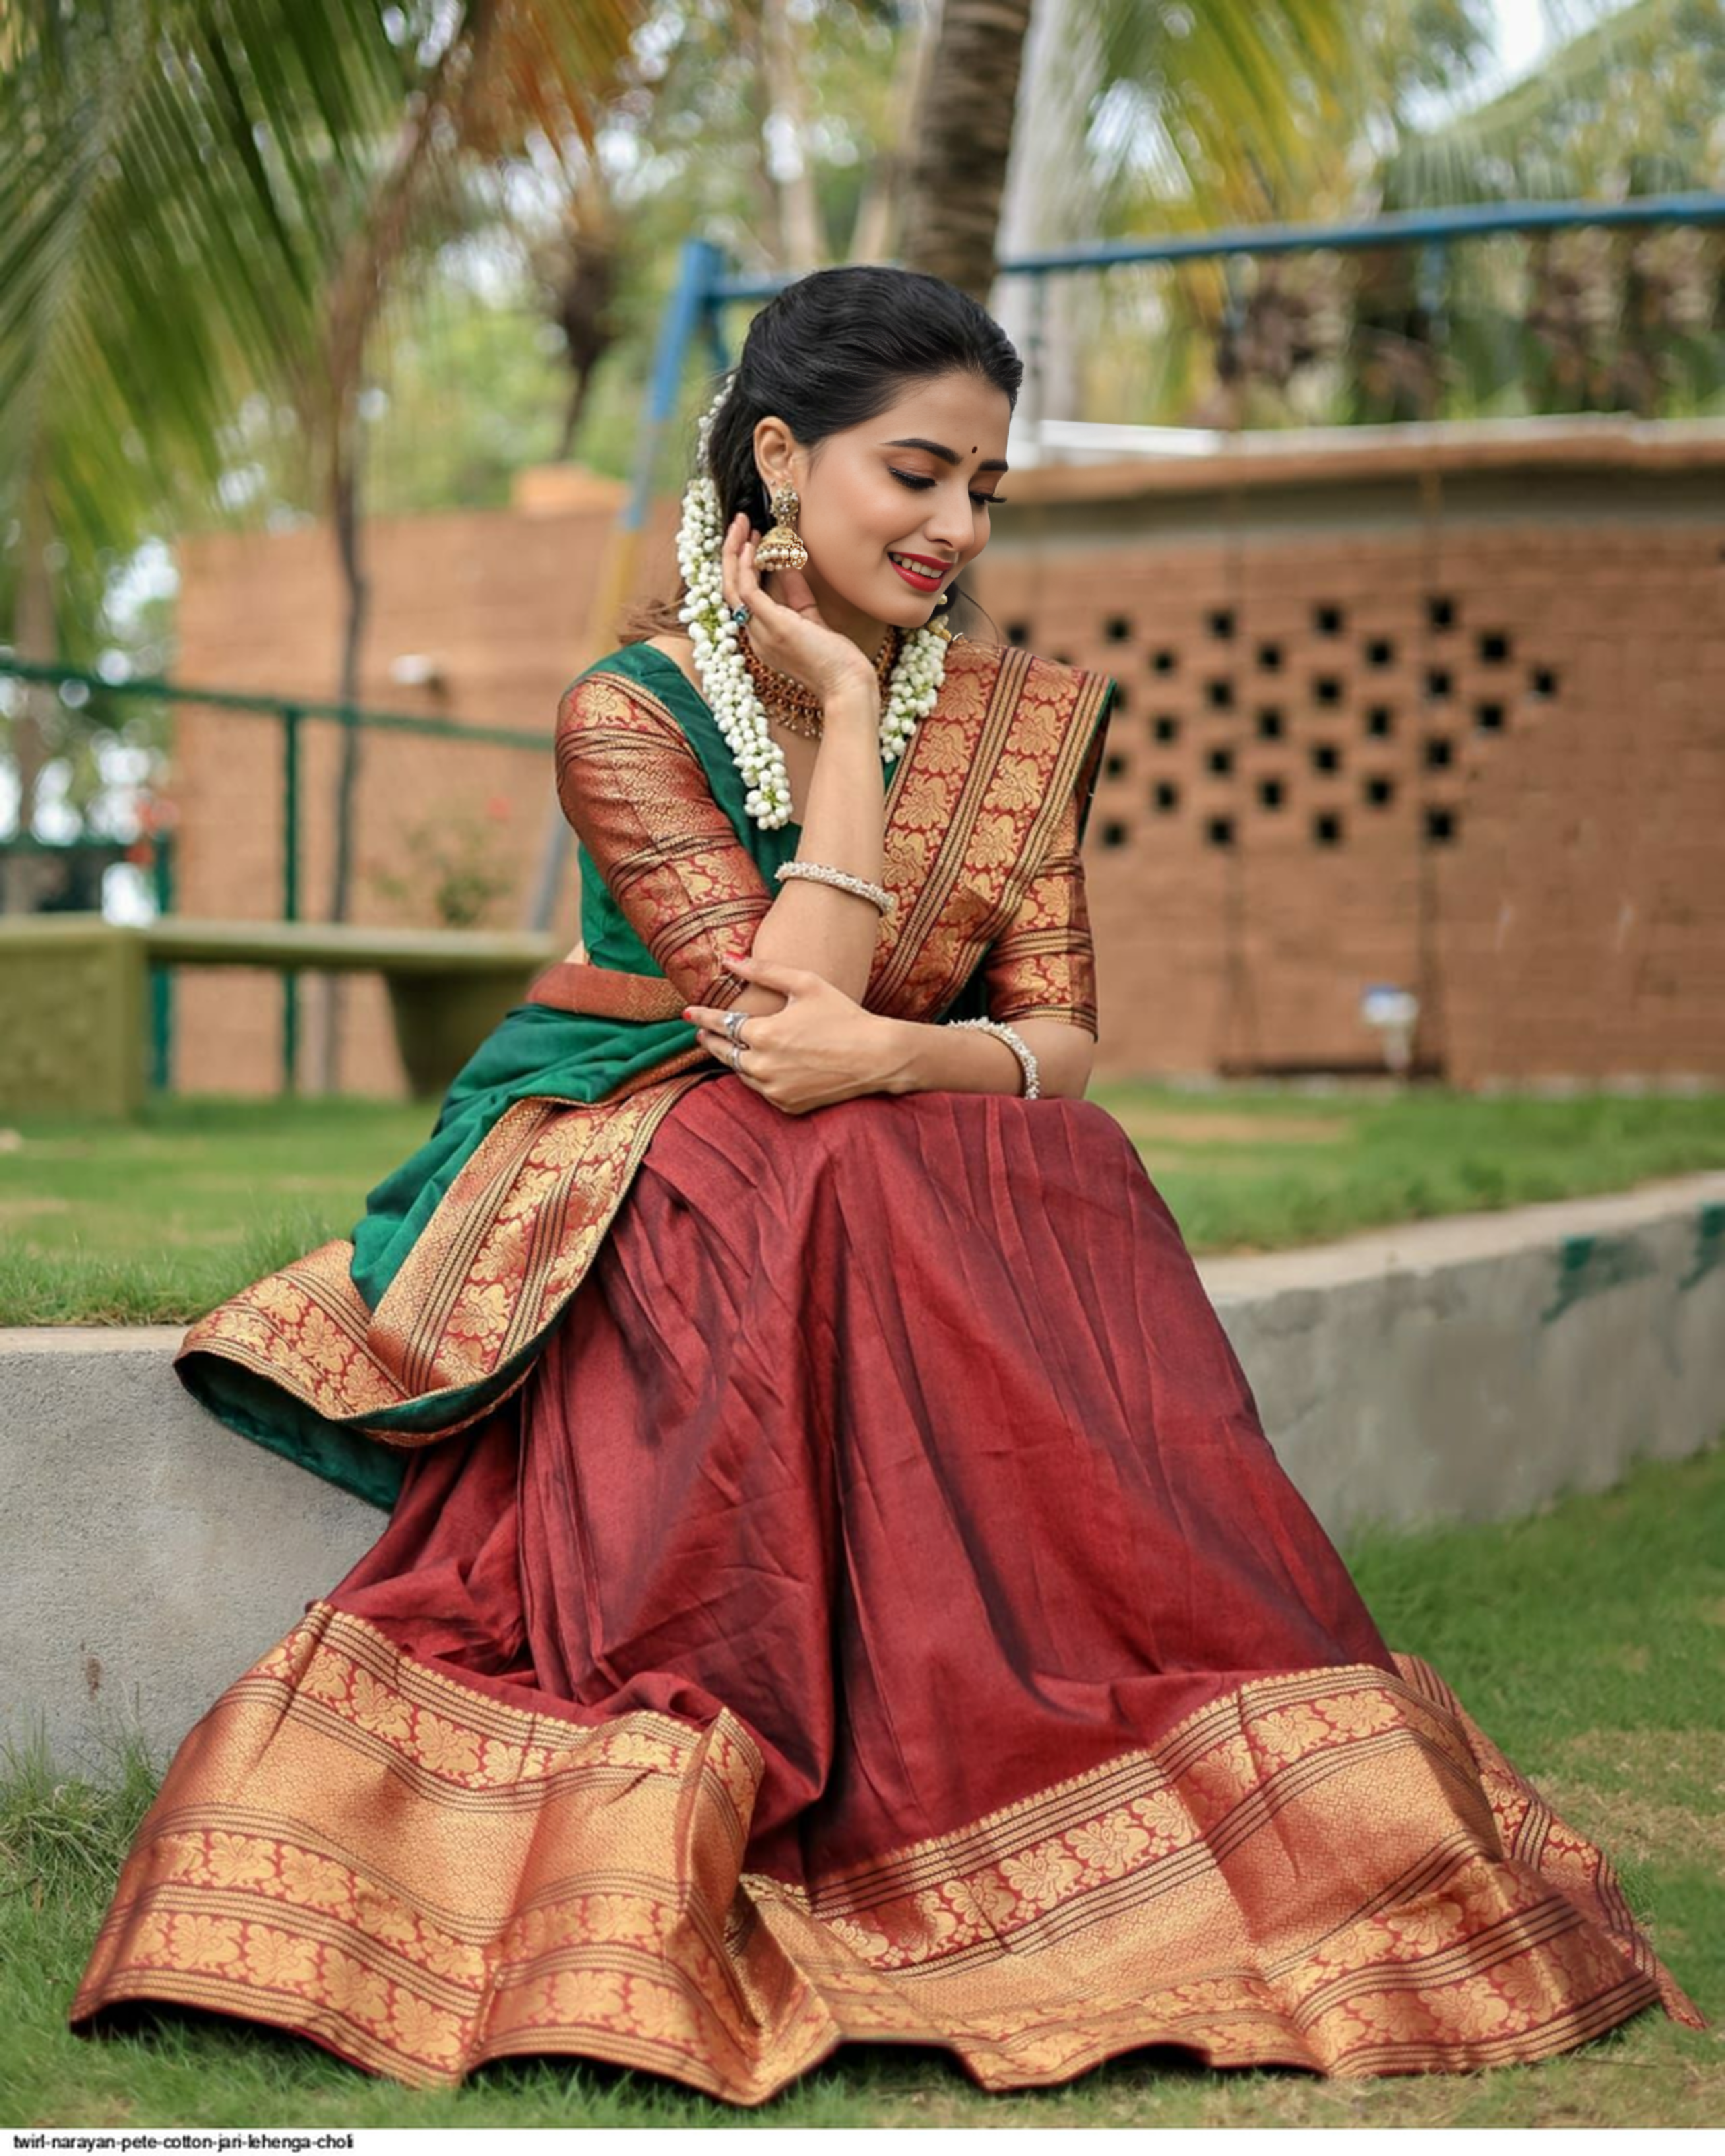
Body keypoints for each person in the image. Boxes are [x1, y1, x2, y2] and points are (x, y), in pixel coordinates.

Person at [70, 266, 1703, 2104]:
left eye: (984, 493)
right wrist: (845, 710)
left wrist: (913, 1065)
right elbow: (780, 1010)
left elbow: (1060, 1041)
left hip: (880, 1124)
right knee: (821, 1160)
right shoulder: (630, 708)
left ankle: (1077, 1715)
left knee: (1051, 1160)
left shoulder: (1021, 722)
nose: (952, 525)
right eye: (915, 473)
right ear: (781, 455)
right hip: (654, 1121)